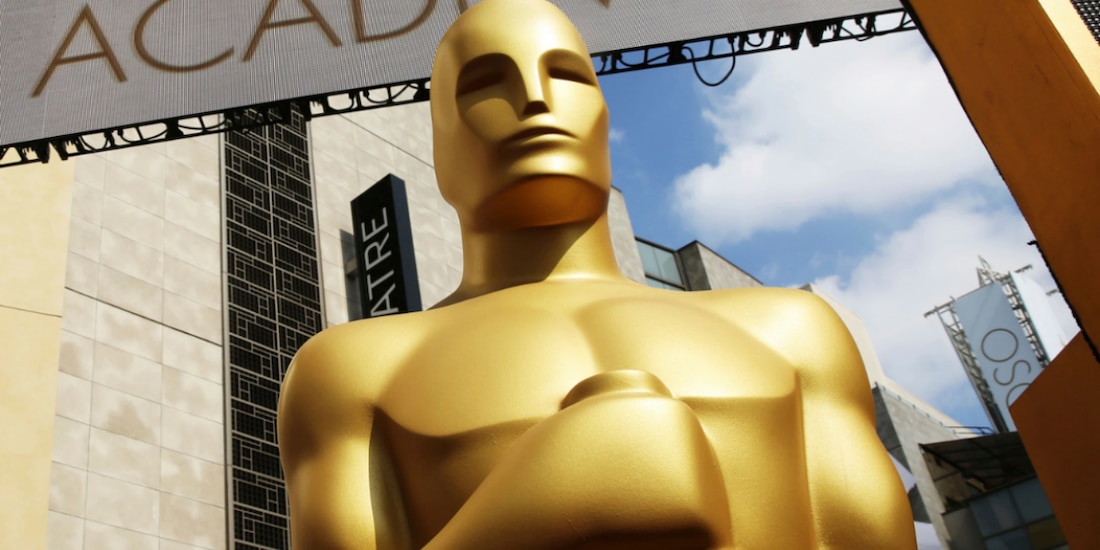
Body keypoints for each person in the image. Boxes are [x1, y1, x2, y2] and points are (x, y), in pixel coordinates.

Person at [278, 0, 916, 548]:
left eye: (567, 75)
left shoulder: (791, 332)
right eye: (484, 83)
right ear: (440, 149)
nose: (534, 98)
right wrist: (534, 509)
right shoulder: (354, 370)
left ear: (607, 121)